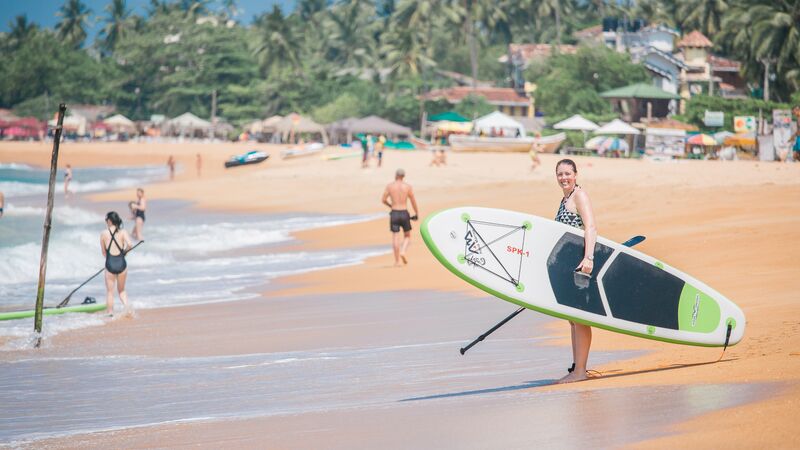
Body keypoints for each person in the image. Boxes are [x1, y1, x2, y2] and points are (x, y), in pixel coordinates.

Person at [553, 159, 597, 384]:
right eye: (560, 174)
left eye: (567, 173)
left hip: (580, 264)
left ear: (576, 174)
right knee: (573, 319)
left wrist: (588, 257)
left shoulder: (579, 195)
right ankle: (577, 367)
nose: (564, 178)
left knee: (579, 318)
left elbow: (590, 226)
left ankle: (580, 371)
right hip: (567, 266)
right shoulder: (565, 199)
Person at [381, 169, 419, 266]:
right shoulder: (407, 187)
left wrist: (391, 206)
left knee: (395, 236)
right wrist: (416, 212)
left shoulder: (390, 186)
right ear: (403, 176)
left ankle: (397, 261)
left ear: (396, 175)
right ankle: (403, 251)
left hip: (394, 213)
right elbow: (413, 201)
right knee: (407, 236)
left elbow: (383, 200)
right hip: (404, 212)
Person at [100, 211, 134, 317]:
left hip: (110, 265)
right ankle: (127, 308)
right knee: (121, 290)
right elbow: (130, 245)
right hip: (122, 264)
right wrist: (124, 253)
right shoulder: (123, 232)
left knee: (110, 291)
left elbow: (104, 253)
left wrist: (110, 259)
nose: (106, 222)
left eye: (106, 220)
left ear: (109, 221)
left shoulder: (104, 234)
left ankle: (110, 313)